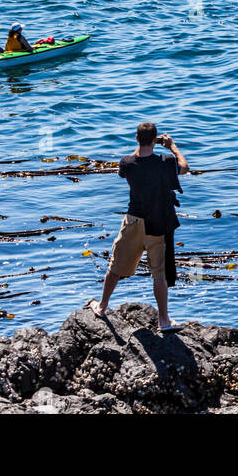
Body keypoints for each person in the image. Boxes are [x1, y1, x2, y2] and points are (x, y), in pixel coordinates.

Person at [92, 122, 190, 332]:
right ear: (156, 140)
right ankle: (163, 321)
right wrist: (172, 146)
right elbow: (184, 167)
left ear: (136, 138)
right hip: (159, 222)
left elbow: (133, 161)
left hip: (134, 220)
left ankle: (101, 307)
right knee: (159, 274)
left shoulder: (127, 163)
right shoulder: (166, 161)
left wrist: (146, 146)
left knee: (116, 266)